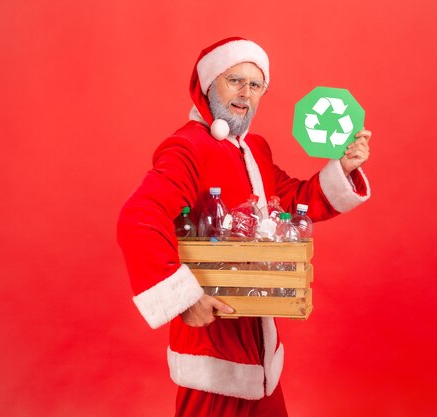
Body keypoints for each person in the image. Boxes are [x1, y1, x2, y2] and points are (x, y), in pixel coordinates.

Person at [117, 37, 372, 417]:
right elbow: (138, 217)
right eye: (234, 80)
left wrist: (345, 169)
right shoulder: (185, 147)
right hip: (212, 354)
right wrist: (184, 299)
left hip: (261, 353)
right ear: (208, 85)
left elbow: (292, 200)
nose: (245, 94)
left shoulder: (256, 148)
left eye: (255, 85)